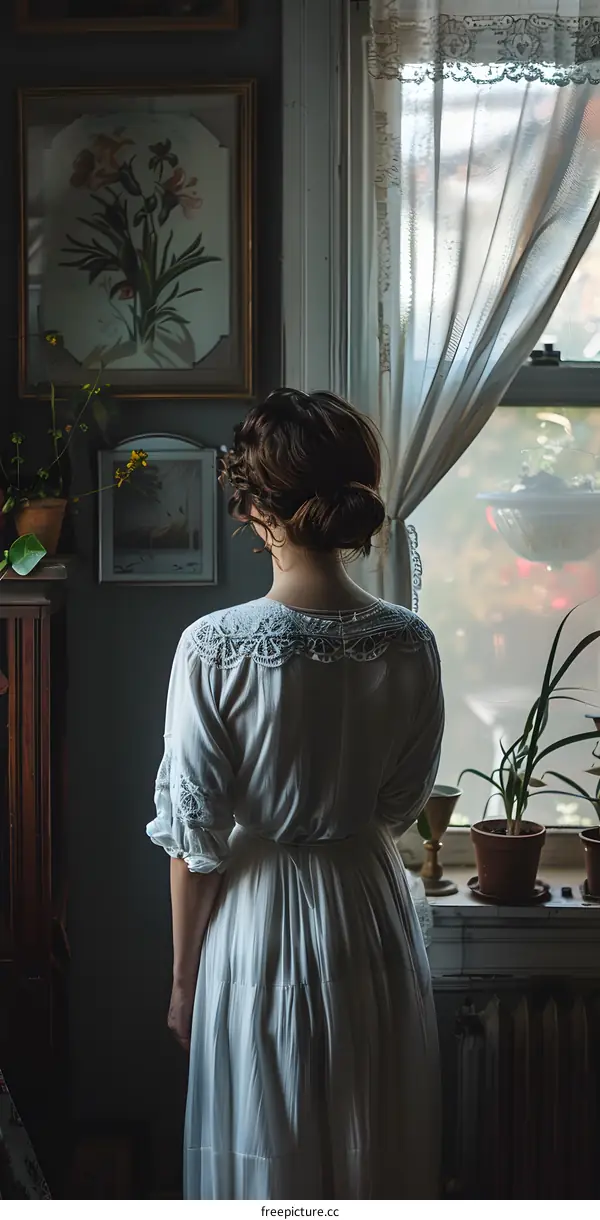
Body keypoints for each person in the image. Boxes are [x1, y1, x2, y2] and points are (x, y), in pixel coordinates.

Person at [146, 388, 444, 1201]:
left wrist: (183, 981)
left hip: (257, 923)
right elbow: (400, 802)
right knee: (369, 1148)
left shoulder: (213, 648)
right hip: (366, 911)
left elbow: (196, 838)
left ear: (253, 508)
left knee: (265, 1152)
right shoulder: (409, 641)